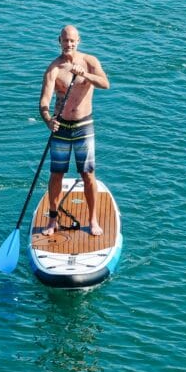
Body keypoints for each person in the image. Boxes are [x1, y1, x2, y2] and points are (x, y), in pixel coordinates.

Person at [39, 25, 110, 236]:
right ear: (58, 41)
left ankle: (93, 219)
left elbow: (105, 84)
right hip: (60, 127)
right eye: (64, 41)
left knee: (87, 174)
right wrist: (47, 119)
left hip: (83, 126)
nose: (68, 44)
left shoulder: (89, 61)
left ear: (78, 41)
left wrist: (86, 75)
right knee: (56, 174)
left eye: (72, 41)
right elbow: (44, 101)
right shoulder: (54, 68)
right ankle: (53, 220)